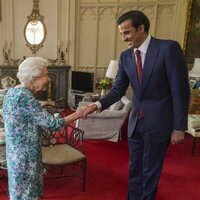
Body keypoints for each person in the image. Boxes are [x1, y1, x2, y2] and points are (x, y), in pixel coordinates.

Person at [80, 10, 190, 200]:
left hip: (159, 123)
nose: (123, 38)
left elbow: (180, 91)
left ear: (141, 28)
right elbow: (117, 90)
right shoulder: (125, 57)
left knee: (150, 172)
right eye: (121, 33)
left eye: (127, 32)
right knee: (134, 169)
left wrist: (179, 127)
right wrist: (96, 105)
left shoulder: (168, 49)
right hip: (135, 123)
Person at [2, 57, 84, 200]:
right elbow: (52, 124)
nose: (48, 79)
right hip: (26, 157)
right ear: (34, 78)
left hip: (16, 155)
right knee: (28, 194)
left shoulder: (13, 92)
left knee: (19, 193)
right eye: (45, 74)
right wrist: (78, 114)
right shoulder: (25, 96)